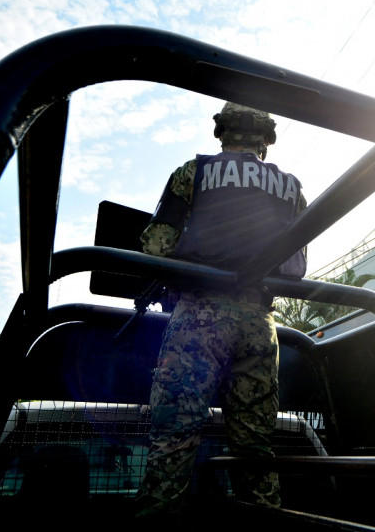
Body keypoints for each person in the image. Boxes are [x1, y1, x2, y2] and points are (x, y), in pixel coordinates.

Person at [135, 102, 307, 520]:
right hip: (260, 325)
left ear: (222, 133)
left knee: (174, 438)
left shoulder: (192, 173)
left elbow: (155, 246)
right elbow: (297, 269)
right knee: (255, 448)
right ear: (267, 139)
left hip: (199, 315)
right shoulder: (292, 188)